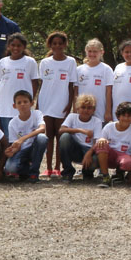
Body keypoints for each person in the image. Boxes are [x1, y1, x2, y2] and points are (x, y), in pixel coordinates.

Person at [37, 31, 76, 177]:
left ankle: (58, 167)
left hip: (62, 103)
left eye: (60, 43)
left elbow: (71, 86)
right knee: (48, 136)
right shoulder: (45, 62)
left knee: (60, 137)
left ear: (65, 45)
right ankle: (48, 168)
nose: (57, 46)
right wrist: (38, 105)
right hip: (46, 103)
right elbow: (42, 85)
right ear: (50, 45)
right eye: (54, 43)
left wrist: (70, 104)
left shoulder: (71, 62)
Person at [0, 33, 38, 136]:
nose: (15, 48)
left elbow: (35, 82)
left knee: (23, 135)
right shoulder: (2, 62)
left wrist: (30, 100)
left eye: (19, 45)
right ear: (8, 46)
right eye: (13, 45)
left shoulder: (30, 62)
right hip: (5, 106)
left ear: (24, 47)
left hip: (22, 105)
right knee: (8, 135)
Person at [96, 101, 131, 188]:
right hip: (110, 155)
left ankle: (120, 172)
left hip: (124, 156)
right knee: (102, 144)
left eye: (129, 116)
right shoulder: (109, 127)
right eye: (123, 115)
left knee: (128, 164)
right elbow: (99, 142)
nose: (126, 118)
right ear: (118, 116)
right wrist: (102, 139)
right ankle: (105, 177)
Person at [2, 90, 47, 181]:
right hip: (22, 150)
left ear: (31, 103)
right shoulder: (12, 123)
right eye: (19, 102)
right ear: (14, 106)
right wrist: (12, 150)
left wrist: (22, 138)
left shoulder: (37, 114)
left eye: (25, 102)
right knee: (10, 168)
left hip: (34, 148)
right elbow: (16, 145)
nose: (23, 104)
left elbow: (42, 129)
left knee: (42, 138)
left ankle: (34, 173)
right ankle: (26, 171)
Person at [58, 93, 103, 181]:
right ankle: (68, 171)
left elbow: (97, 141)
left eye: (89, 108)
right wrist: (81, 130)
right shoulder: (72, 117)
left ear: (94, 110)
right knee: (64, 137)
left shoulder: (97, 121)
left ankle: (88, 172)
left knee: (97, 157)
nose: (86, 110)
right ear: (77, 108)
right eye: (83, 107)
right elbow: (61, 130)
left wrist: (89, 153)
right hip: (76, 149)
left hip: (89, 150)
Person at [76, 38, 115, 123]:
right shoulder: (78, 70)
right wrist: (76, 109)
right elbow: (75, 91)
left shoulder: (106, 69)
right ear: (86, 51)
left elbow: (109, 92)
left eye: (95, 51)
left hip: (100, 112)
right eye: (90, 51)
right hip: (82, 112)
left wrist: (108, 111)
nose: (92, 54)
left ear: (101, 52)